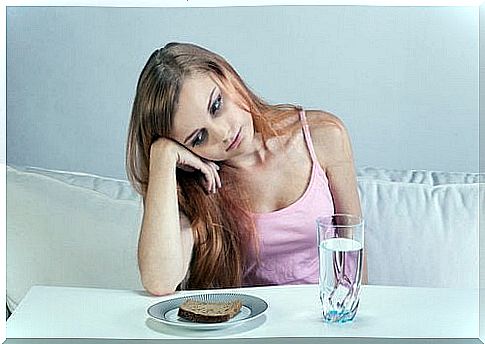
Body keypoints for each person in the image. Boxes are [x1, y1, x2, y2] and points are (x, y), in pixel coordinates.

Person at [126, 42, 367, 296]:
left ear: (226, 75)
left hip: (328, 319)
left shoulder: (324, 135)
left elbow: (356, 250)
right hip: (254, 328)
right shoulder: (200, 187)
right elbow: (159, 282)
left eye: (216, 106)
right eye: (198, 138)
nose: (223, 133)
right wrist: (162, 155)